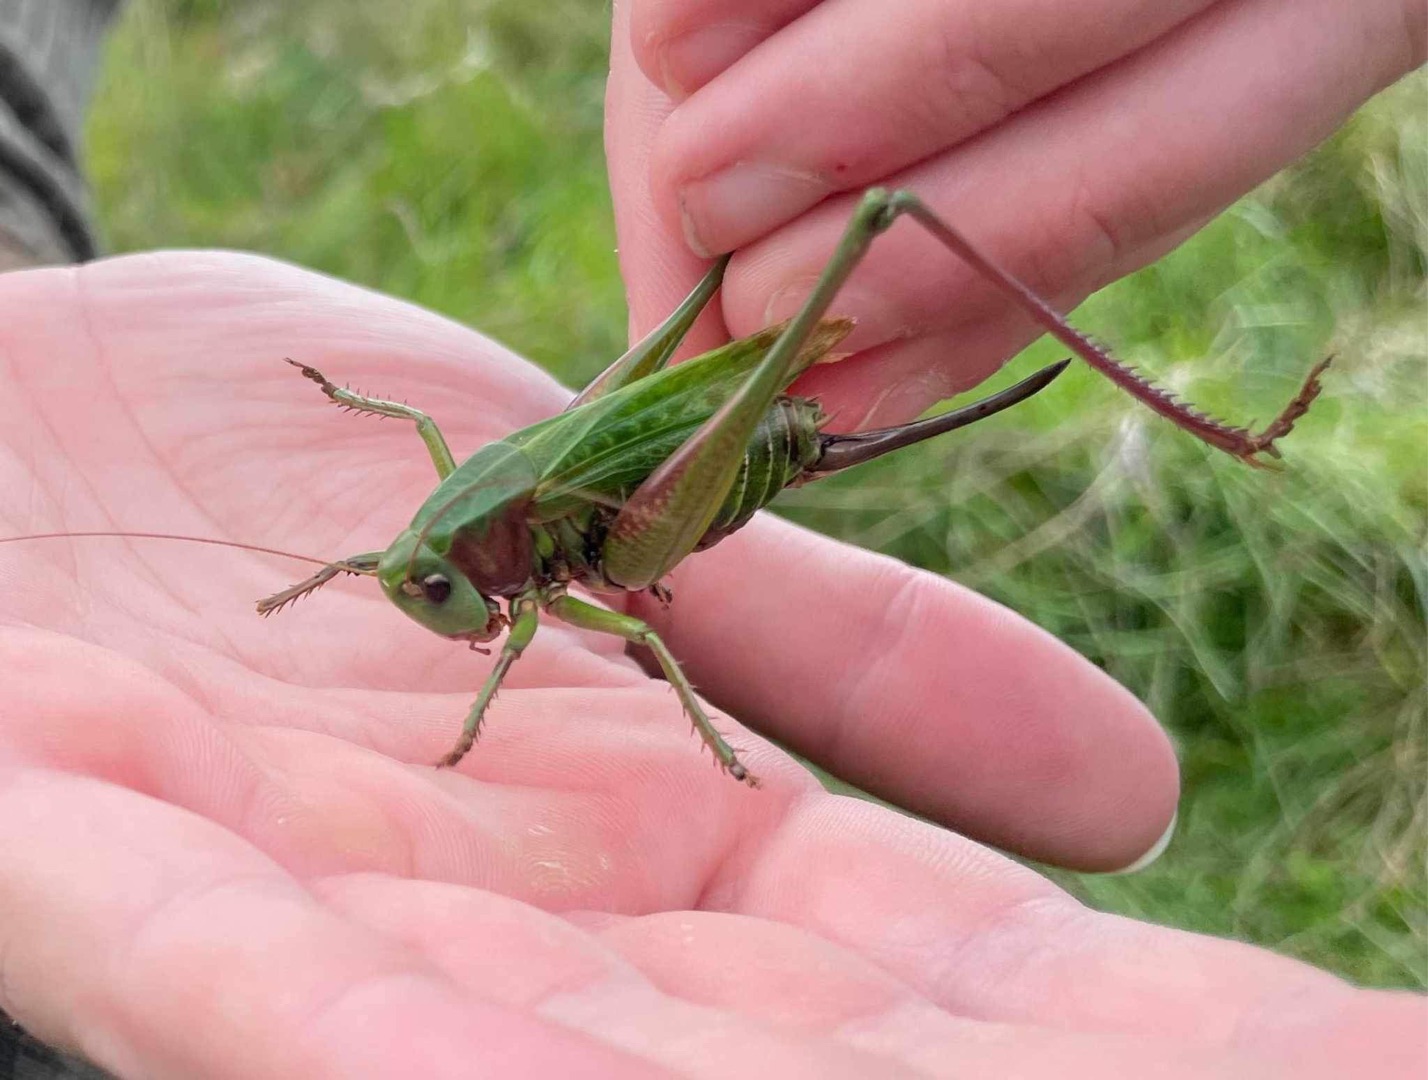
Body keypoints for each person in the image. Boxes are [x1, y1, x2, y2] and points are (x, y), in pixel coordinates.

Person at [0, 1, 1422, 1076]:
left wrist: (494, 721)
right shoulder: (448, 520)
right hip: (640, 472)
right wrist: (324, 567)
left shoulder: (511, 557)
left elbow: (569, 609)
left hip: (687, 470)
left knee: (848, 234)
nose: (433, 600)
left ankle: (1224, 429)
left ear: (469, 553)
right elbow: (425, 472)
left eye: (432, 584)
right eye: (419, 584)